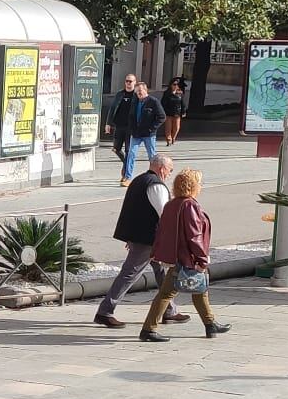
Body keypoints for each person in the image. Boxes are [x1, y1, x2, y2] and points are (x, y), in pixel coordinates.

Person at [93, 154, 188, 330]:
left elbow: (132, 210)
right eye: (170, 170)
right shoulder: (156, 185)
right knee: (129, 274)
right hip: (148, 240)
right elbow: (165, 215)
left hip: (144, 237)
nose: (169, 173)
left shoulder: (139, 180)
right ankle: (105, 312)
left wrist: (130, 235)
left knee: (162, 273)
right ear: (161, 168)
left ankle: (170, 310)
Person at [139, 167, 229, 341]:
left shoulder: (172, 204)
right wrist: (202, 258)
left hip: (175, 256)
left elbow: (162, 230)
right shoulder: (190, 205)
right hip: (187, 257)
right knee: (168, 293)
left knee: (200, 289)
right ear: (193, 185)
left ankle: (211, 325)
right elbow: (194, 235)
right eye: (199, 183)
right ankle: (148, 330)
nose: (201, 186)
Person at [124, 82, 164, 181]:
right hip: (136, 133)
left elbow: (162, 117)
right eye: (137, 91)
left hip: (148, 134)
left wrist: (152, 128)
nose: (138, 93)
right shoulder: (135, 101)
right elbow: (131, 116)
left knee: (152, 156)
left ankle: (156, 176)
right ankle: (128, 177)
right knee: (131, 154)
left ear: (145, 90)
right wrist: (131, 128)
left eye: (140, 91)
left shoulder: (153, 101)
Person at [107, 74, 139, 183]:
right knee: (116, 148)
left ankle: (126, 174)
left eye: (131, 81)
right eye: (127, 81)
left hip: (130, 127)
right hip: (119, 126)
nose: (129, 83)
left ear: (135, 82)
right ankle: (126, 163)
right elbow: (112, 108)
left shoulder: (136, 95)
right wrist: (108, 123)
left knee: (128, 150)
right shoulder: (120, 94)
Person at [160, 77, 188, 146]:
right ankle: (169, 140)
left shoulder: (180, 93)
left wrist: (183, 111)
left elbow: (183, 103)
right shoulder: (167, 93)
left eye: (177, 84)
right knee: (168, 128)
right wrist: (163, 112)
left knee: (176, 128)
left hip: (177, 113)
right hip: (168, 113)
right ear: (171, 85)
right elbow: (163, 103)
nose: (176, 86)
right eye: (174, 84)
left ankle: (173, 138)